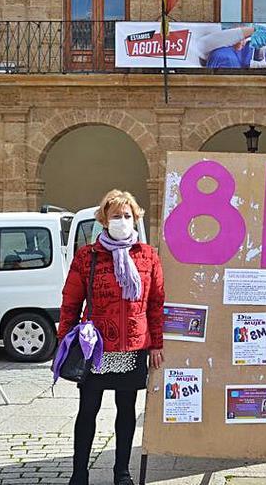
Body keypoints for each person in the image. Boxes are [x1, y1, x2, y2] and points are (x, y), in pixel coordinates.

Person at [59, 189, 165, 485]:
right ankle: (79, 473)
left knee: (126, 411)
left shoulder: (148, 256)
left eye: (126, 215)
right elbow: (70, 301)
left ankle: (122, 472)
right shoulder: (87, 256)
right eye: (116, 216)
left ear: (136, 218)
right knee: (88, 410)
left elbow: (156, 302)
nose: (122, 220)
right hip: (96, 347)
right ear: (104, 220)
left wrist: (156, 342)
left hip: (133, 346)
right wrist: (64, 342)